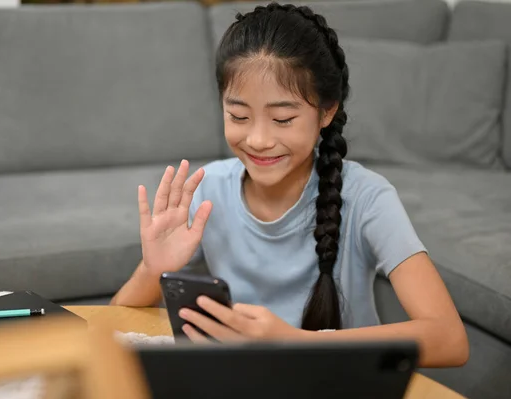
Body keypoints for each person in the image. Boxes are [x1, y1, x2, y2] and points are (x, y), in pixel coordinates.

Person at [111, 2, 469, 368]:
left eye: (283, 119)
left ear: (326, 112)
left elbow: (450, 340)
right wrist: (153, 270)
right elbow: (112, 328)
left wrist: (294, 343)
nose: (258, 139)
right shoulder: (208, 190)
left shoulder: (367, 197)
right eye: (239, 116)